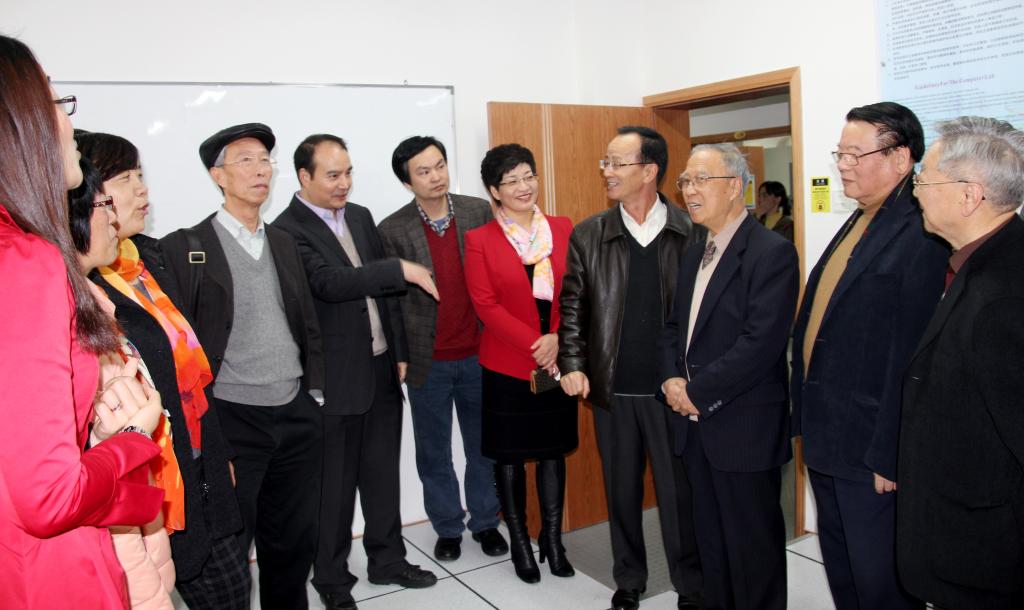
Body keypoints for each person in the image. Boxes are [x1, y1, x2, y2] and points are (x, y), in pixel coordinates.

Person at [0, 34, 164, 609]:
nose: (69, 122)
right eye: (54, 101)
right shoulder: (25, 262)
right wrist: (134, 437)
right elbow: (50, 497)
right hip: (49, 568)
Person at [79, 131, 249, 610]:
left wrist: (218, 452)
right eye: (125, 178)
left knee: (232, 588)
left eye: (141, 176)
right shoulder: (82, 285)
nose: (142, 190)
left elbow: (189, 370)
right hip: (152, 476)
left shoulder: (151, 259)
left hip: (200, 459)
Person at [160, 123, 326, 610]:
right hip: (233, 416)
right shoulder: (186, 247)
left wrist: (314, 393)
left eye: (265, 160)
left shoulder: (284, 242)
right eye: (246, 160)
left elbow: (307, 322)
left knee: (292, 540)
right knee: (234, 544)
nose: (260, 170)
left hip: (294, 410)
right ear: (218, 176)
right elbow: (180, 346)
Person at [790, 102, 948, 610]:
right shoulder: (861, 219)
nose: (843, 165)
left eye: (855, 154)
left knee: (880, 581)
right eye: (840, 154)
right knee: (843, 567)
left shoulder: (922, 232)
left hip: (871, 447)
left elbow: (912, 357)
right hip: (829, 433)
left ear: (901, 158)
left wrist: (890, 452)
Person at [271, 134, 439, 610]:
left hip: (381, 367)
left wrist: (398, 349)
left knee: (383, 476)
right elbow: (329, 283)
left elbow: (385, 294)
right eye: (332, 175)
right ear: (304, 177)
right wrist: (400, 268)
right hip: (335, 378)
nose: (343, 183)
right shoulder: (286, 230)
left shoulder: (361, 216)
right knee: (334, 488)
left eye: (347, 172)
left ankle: (388, 560)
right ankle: (331, 577)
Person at [558, 126, 704, 610]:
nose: (607, 171)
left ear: (649, 171)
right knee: (620, 492)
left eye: (617, 163)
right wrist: (573, 362)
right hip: (614, 390)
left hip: (672, 391)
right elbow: (573, 305)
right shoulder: (590, 233)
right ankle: (629, 579)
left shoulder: (691, 231)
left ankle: (690, 582)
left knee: (678, 495)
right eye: (606, 162)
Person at [660, 143, 798, 610]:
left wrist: (696, 392)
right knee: (712, 545)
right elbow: (674, 328)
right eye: (685, 181)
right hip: (694, 426)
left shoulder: (771, 252)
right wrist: (670, 380)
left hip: (743, 426)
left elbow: (760, 344)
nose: (689, 191)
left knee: (752, 549)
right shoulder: (695, 251)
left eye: (701, 180)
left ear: (736, 186)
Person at [898, 116, 1024, 610]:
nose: (916, 194)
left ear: (969, 196)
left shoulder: (1003, 295)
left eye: (924, 181)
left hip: (985, 552)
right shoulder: (977, 262)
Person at [377, 136, 506, 562]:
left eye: (440, 166)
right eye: (423, 171)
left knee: (483, 447)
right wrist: (398, 354)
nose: (436, 176)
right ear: (407, 182)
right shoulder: (391, 229)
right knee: (433, 452)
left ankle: (485, 522)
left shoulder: (478, 211)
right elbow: (390, 303)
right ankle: (448, 527)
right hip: (426, 361)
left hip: (480, 354)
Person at [464, 143, 577, 584]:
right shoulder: (480, 240)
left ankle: (553, 540)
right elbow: (485, 305)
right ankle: (520, 543)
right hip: (508, 366)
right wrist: (537, 343)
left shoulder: (563, 228)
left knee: (552, 452)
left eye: (528, 175)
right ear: (495, 191)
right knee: (508, 457)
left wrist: (558, 339)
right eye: (510, 180)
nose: (522, 186)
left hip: (556, 363)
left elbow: (577, 291)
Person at [68, 157, 177, 610]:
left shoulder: (95, 299)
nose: (114, 218)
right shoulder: (61, 311)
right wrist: (135, 430)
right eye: (103, 204)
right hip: (108, 513)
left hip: (133, 501)